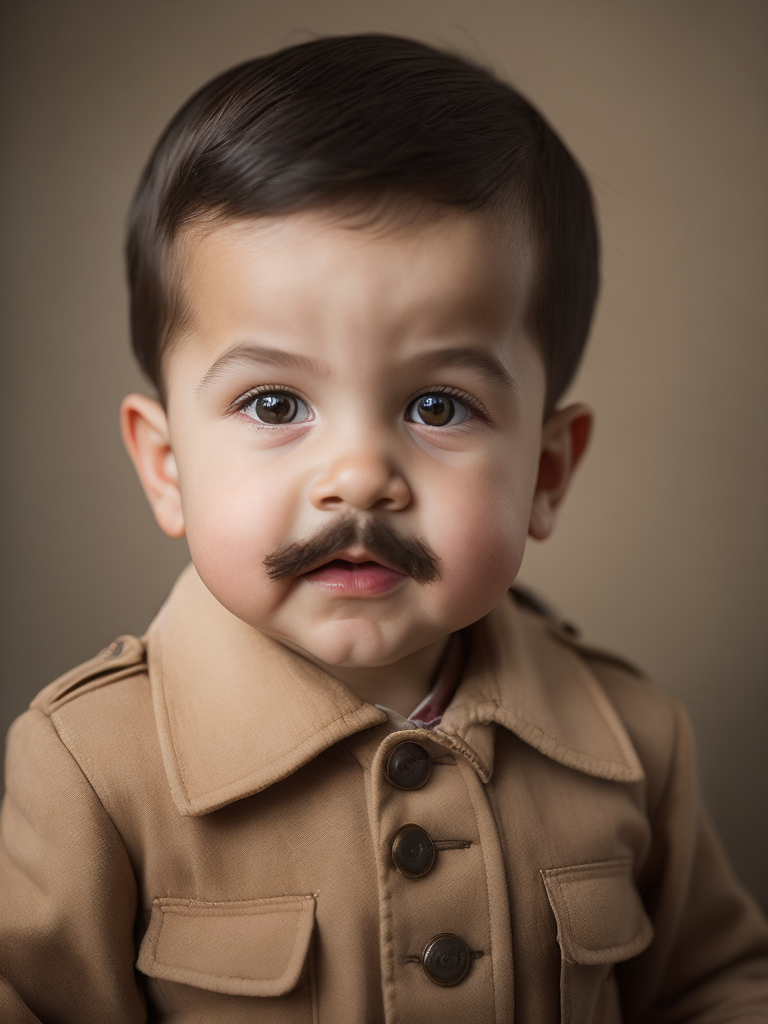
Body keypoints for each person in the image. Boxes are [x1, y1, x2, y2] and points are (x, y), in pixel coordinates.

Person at [1, 33, 766, 1023]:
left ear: (545, 472)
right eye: (276, 404)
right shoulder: (92, 764)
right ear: (167, 466)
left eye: (437, 406)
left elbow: (714, 987)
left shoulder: (631, 739)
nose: (360, 476)